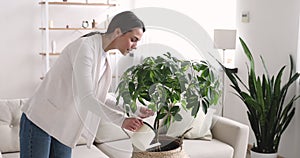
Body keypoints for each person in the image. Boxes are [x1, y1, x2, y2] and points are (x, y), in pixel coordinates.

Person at [19, 11, 154, 158]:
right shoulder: (85, 47)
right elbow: (87, 98)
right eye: (133, 39)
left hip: (63, 128)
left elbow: (101, 96)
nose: (135, 46)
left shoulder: (103, 57)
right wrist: (121, 120)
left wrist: (135, 109)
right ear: (118, 32)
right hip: (40, 120)